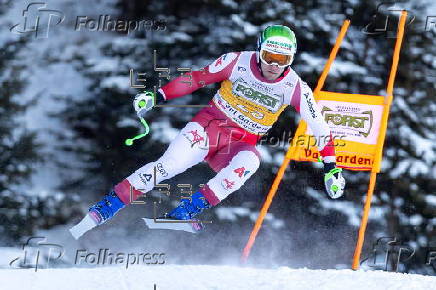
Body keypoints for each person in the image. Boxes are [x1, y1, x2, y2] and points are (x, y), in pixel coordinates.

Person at [70, 25, 345, 238]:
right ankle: (104, 209)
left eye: (282, 59)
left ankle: (182, 214)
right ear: (259, 50)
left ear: (291, 60)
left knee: (250, 163)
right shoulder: (235, 62)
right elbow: (197, 78)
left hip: (237, 145)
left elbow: (319, 126)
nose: (274, 66)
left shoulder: (295, 87)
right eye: (269, 57)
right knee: (166, 167)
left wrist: (332, 168)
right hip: (207, 128)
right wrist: (158, 95)